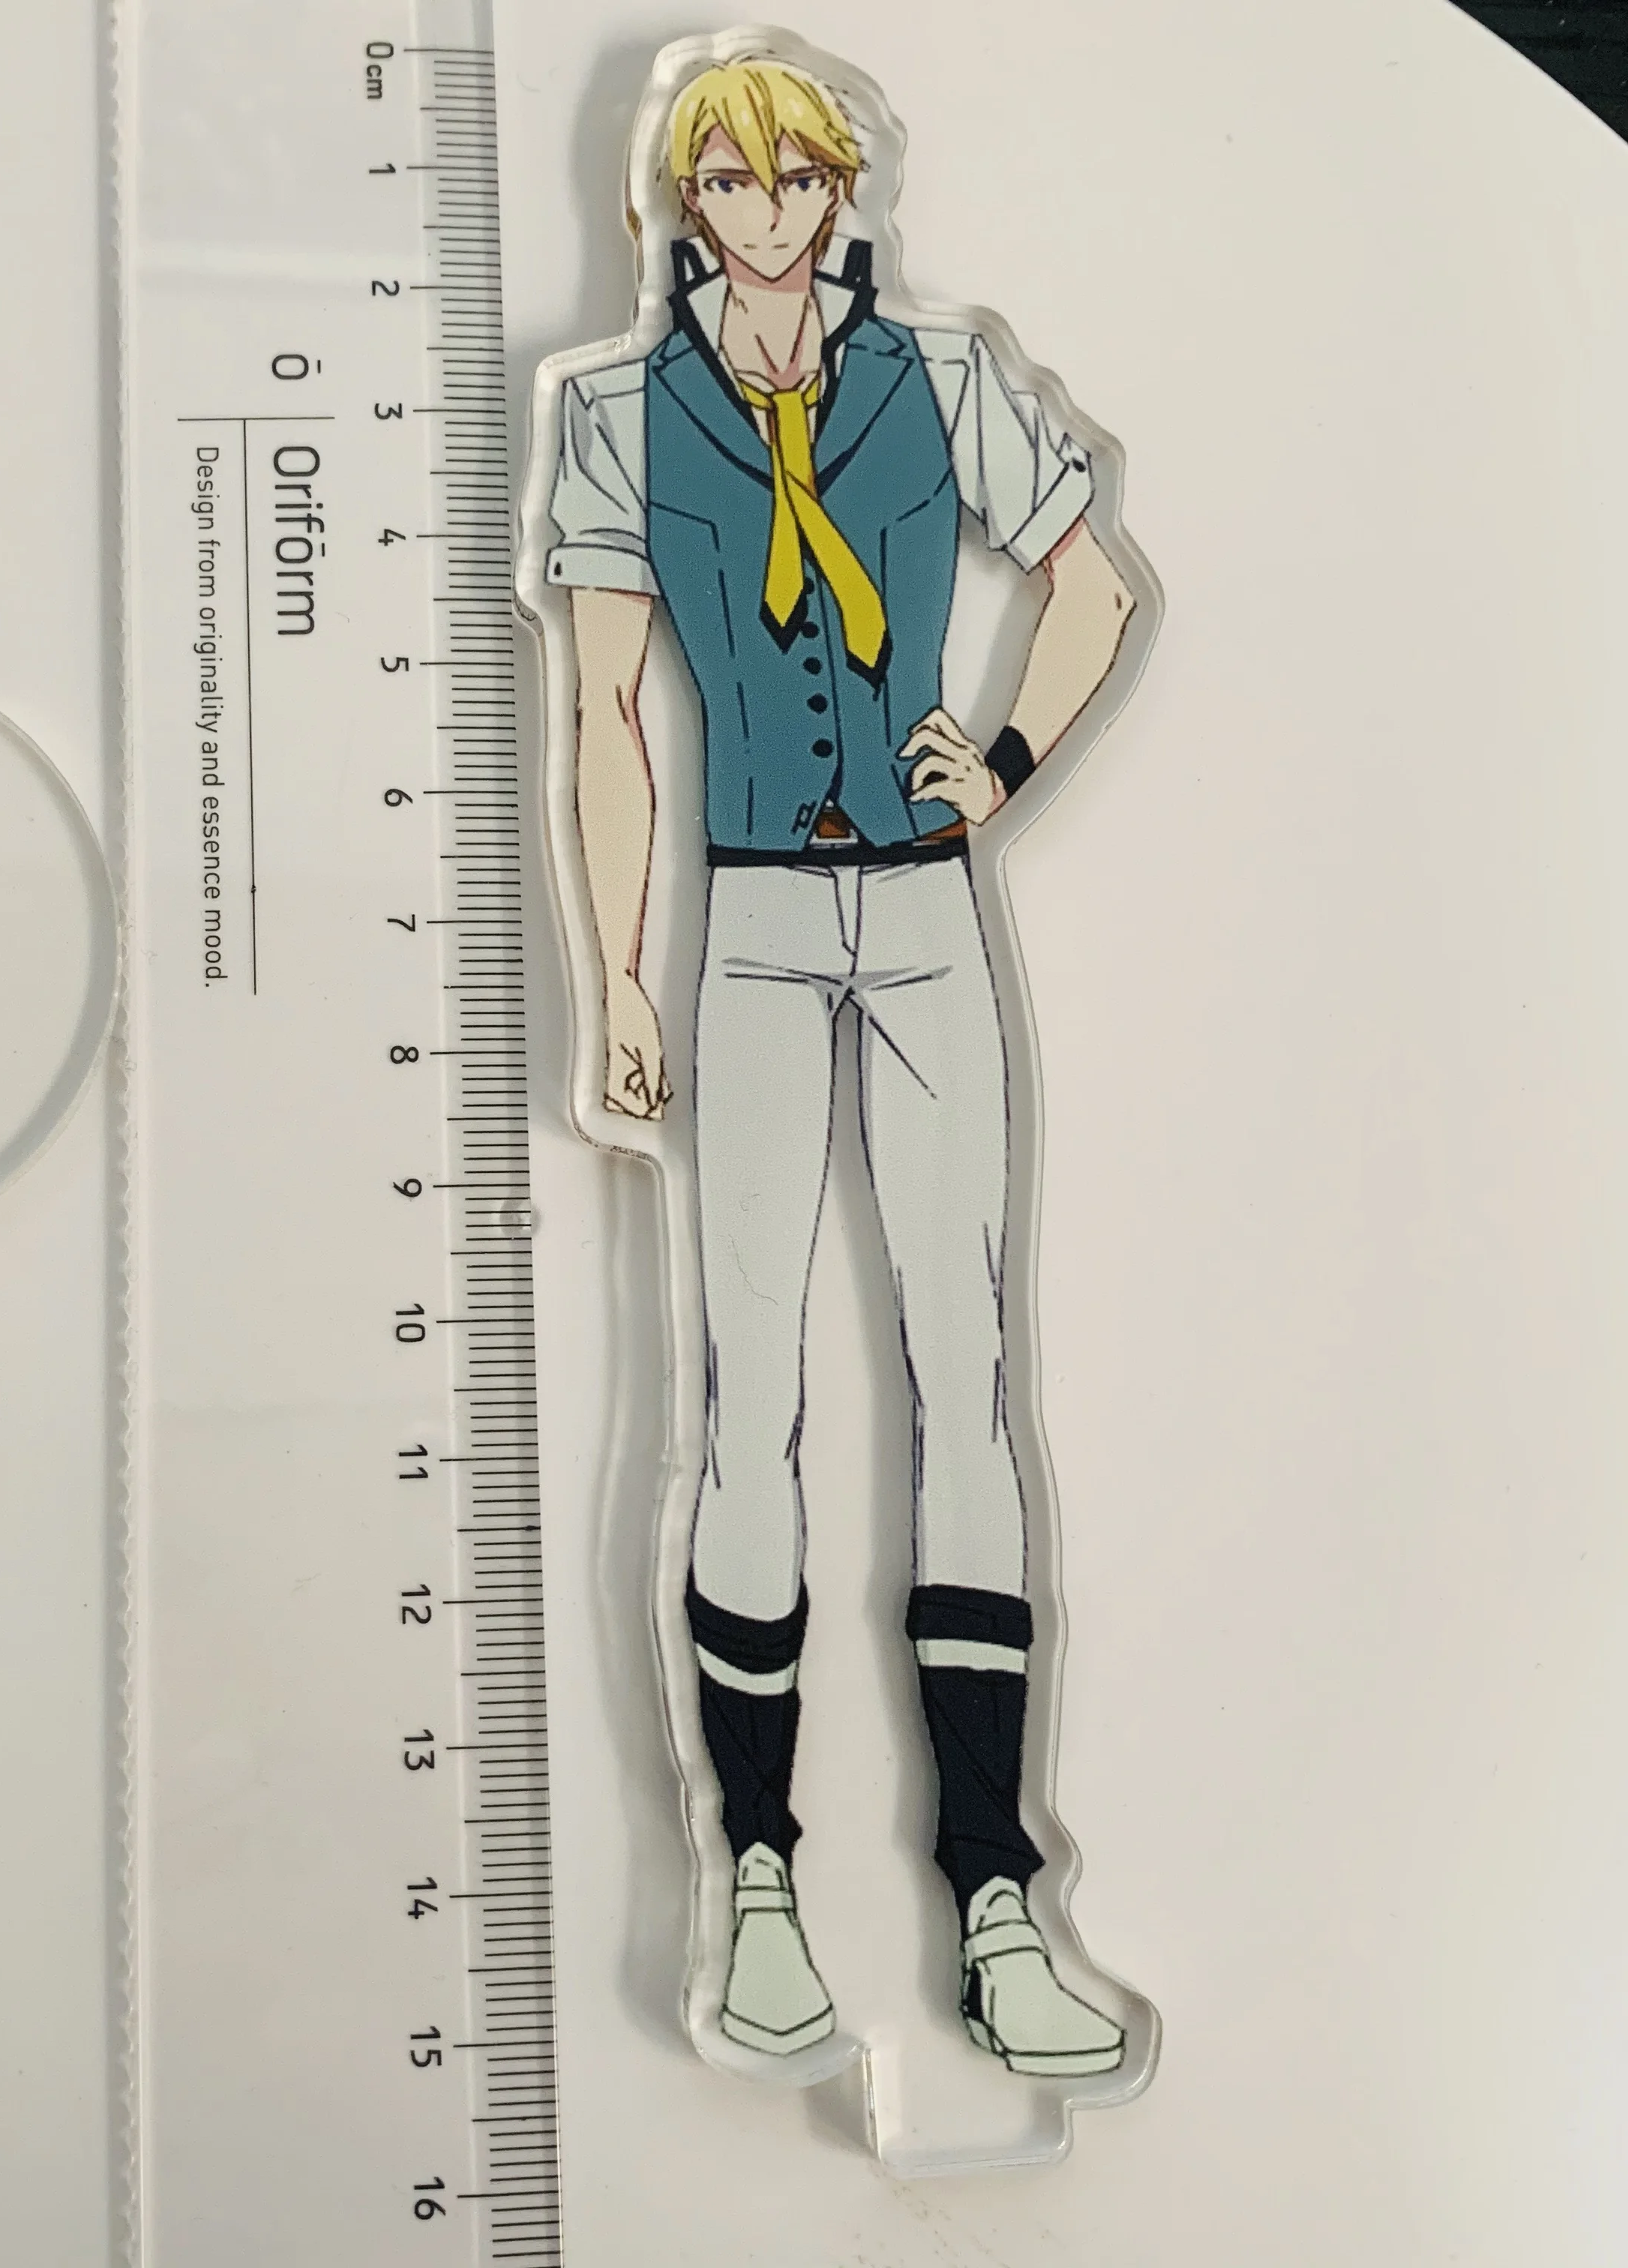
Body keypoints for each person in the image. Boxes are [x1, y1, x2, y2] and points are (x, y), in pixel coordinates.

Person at [542, 52, 1139, 2074]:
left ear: (839, 190)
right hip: (755, 926)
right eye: (730, 182)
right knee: (750, 1391)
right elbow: (606, 720)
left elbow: (1095, 580)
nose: (771, 214)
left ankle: (996, 1892)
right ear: (683, 205)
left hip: (928, 915)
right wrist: (621, 987)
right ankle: (761, 1887)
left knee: (968, 1379)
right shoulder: (616, 416)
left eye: (798, 180)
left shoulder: (941, 376)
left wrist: (1009, 761)